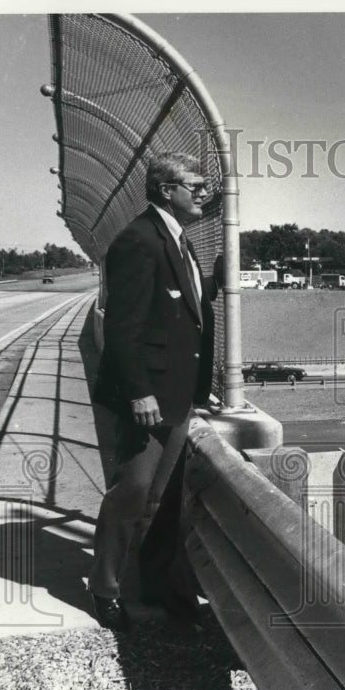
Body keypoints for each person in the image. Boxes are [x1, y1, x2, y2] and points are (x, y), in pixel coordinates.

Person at [89, 152, 218, 632]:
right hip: (151, 396)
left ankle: (162, 588)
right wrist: (140, 393)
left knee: (163, 498)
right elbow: (123, 329)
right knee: (134, 491)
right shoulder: (139, 241)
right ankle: (104, 589)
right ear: (167, 190)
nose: (203, 192)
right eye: (196, 185)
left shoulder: (178, 242)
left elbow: (180, 301)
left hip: (178, 392)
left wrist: (215, 284)